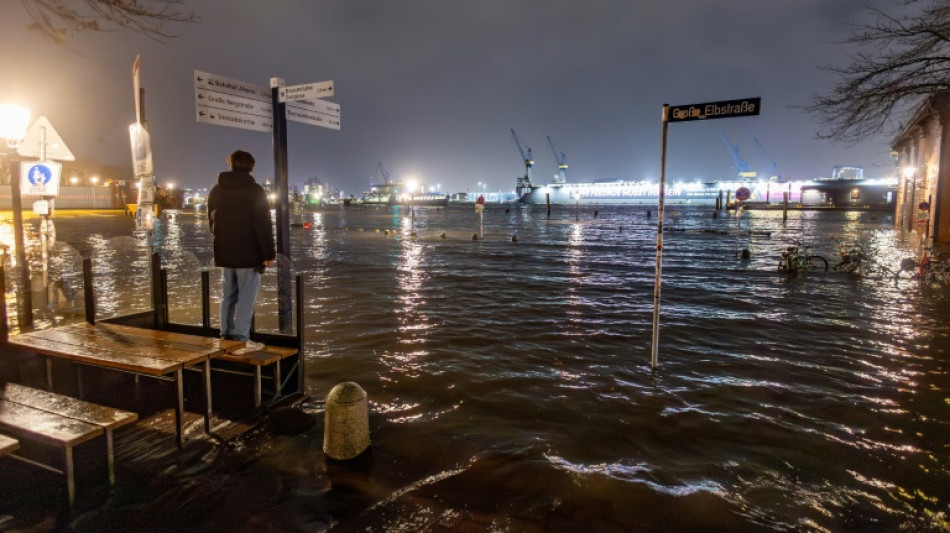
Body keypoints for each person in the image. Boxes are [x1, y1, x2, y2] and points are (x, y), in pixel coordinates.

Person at [207, 150, 276, 350]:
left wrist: (221, 237)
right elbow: (263, 225)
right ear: (251, 167)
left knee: (228, 295)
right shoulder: (255, 191)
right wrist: (268, 255)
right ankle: (242, 340)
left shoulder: (216, 190)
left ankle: (225, 335)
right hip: (249, 254)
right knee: (247, 296)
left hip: (225, 252)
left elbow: (211, 220)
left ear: (231, 164)